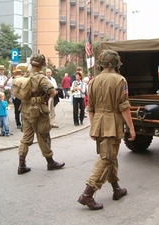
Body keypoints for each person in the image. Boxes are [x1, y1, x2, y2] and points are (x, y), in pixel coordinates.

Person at [77, 50, 136, 210]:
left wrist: (93, 128)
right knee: (107, 158)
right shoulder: (120, 80)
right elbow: (124, 107)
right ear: (116, 64)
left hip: (99, 123)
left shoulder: (93, 82)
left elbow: (91, 108)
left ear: (101, 64)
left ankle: (116, 188)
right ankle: (87, 194)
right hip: (112, 124)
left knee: (110, 157)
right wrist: (131, 127)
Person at [17, 53, 65, 175]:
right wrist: (46, 98)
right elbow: (52, 91)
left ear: (32, 63)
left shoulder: (25, 75)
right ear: (42, 65)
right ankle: (50, 162)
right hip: (38, 111)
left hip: (25, 109)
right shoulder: (41, 78)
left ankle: (21, 164)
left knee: (26, 137)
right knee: (43, 135)